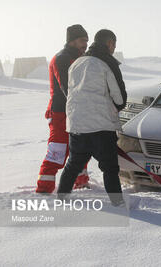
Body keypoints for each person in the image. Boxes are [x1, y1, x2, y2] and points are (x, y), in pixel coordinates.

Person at [57, 29, 127, 205]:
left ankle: (61, 198)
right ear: (110, 43)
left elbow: (69, 91)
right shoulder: (108, 63)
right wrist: (115, 107)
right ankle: (117, 204)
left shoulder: (77, 63)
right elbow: (119, 98)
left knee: (73, 165)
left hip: (77, 125)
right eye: (114, 45)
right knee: (110, 168)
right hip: (101, 126)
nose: (113, 49)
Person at [36, 24, 90, 193]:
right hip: (61, 113)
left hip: (77, 111)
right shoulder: (62, 58)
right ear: (72, 41)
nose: (85, 44)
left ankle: (81, 182)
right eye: (82, 40)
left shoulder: (81, 58)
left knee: (80, 148)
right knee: (58, 150)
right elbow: (66, 87)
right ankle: (44, 189)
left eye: (87, 41)